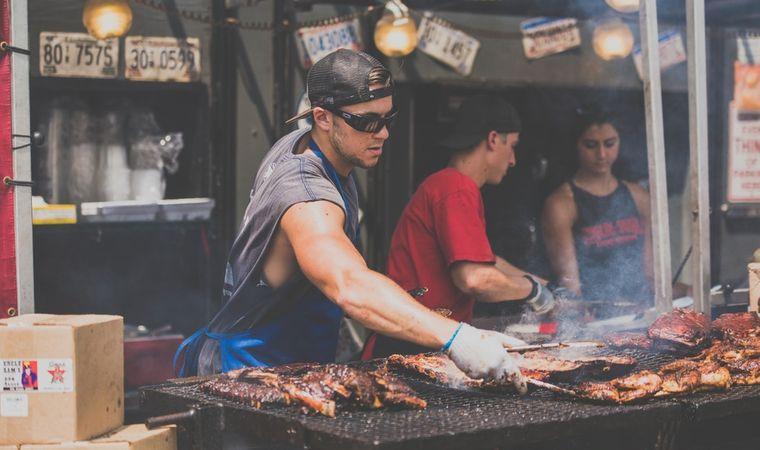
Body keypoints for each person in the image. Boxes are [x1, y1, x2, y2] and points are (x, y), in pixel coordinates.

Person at [174, 49, 528, 393]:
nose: (383, 133)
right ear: (323, 117)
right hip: (248, 372)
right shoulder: (306, 195)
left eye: (387, 119)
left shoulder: (308, 142)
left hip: (294, 366)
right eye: (367, 122)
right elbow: (349, 283)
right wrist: (457, 337)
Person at [363, 95, 559, 359]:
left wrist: (544, 284)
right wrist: (533, 291)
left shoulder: (449, 185)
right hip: (411, 348)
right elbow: (475, 279)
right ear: (492, 139)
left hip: (418, 341)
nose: (512, 160)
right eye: (512, 146)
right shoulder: (456, 188)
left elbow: (487, 261)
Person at [542, 108, 653, 305]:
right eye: (591, 145)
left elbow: (651, 275)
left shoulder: (640, 197)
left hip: (640, 309)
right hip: (593, 313)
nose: (601, 154)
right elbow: (569, 285)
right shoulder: (561, 204)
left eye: (609, 144)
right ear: (576, 145)